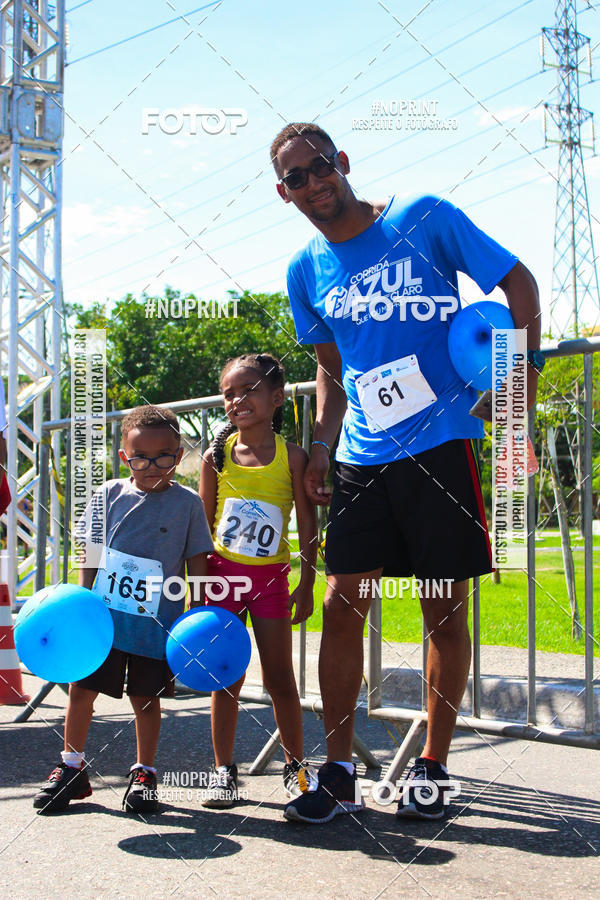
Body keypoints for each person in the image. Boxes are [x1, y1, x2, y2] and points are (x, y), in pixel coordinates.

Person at [270, 122, 541, 824]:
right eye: (296, 176)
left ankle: (432, 768)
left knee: (441, 608)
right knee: (340, 607)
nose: (313, 182)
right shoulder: (305, 269)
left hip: (440, 445)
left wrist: (517, 380)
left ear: (343, 163)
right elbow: (331, 367)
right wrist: (322, 444)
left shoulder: (424, 216)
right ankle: (337, 773)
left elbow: (518, 282)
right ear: (284, 192)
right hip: (363, 455)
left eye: (320, 166)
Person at [33, 405, 213, 814]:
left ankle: (145, 773)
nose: (152, 466)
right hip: (103, 624)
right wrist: (82, 602)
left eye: (164, 457)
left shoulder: (187, 504)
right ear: (123, 457)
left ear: (179, 452)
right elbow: (91, 551)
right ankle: (71, 768)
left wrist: (198, 612)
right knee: (81, 692)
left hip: (157, 625)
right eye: (140, 458)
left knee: (146, 700)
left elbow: (198, 559)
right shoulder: (108, 495)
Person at [199, 353, 317, 807]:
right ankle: (223, 771)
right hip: (223, 581)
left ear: (276, 397)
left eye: (248, 391)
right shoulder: (216, 457)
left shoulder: (294, 456)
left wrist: (306, 584)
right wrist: (201, 585)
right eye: (229, 394)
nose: (237, 401)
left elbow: (308, 526)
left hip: (271, 581)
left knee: (280, 678)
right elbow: (204, 523)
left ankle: (296, 769)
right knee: (224, 676)